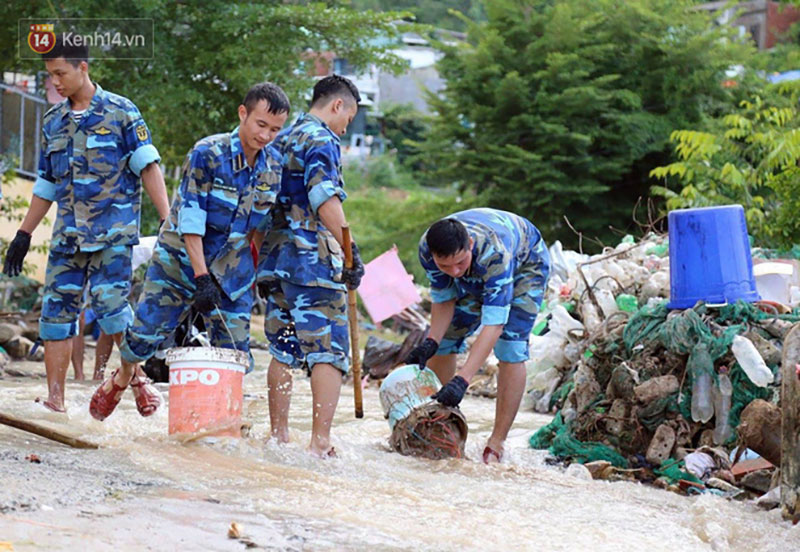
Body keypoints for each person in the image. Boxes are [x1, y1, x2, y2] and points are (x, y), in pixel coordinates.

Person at [88, 82, 290, 421]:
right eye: (261, 125)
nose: (266, 135)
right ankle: (125, 376)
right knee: (141, 340)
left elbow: (260, 228)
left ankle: (225, 422)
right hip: (179, 264)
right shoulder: (207, 153)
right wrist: (200, 278)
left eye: (275, 129)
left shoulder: (273, 167)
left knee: (236, 353)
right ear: (243, 114)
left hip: (231, 274)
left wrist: (260, 274)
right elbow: (191, 221)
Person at [1, 38, 170, 413]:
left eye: (61, 73)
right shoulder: (52, 121)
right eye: (50, 75)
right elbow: (46, 184)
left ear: (83, 68)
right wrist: (24, 233)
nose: (55, 82)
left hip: (112, 234)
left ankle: (136, 377)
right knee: (55, 318)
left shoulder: (121, 112)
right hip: (67, 238)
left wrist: (167, 220)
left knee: (113, 310)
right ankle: (55, 400)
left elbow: (149, 166)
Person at [258, 75, 365, 458]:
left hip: (276, 261)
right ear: (337, 106)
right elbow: (324, 199)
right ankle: (320, 441)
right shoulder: (321, 139)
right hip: (312, 261)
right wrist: (350, 251)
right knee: (329, 349)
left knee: (282, 348)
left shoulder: (281, 137)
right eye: (348, 118)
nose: (345, 126)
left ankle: (278, 435)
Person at [405, 208, 550, 463]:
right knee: (446, 342)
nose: (454, 272)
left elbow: (494, 324)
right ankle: (441, 425)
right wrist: (431, 341)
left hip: (527, 264)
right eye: (445, 266)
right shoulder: (428, 249)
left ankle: (497, 443)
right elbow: (444, 299)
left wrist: (463, 379)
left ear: (469, 243)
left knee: (510, 347)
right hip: (479, 267)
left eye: (460, 262)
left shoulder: (495, 253)